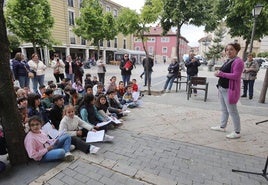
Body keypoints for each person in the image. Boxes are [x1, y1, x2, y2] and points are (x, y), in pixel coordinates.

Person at [211, 42, 244, 139]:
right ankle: (222, 126)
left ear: (236, 51)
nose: (228, 51)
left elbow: (236, 76)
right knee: (224, 110)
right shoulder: (228, 60)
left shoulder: (238, 61)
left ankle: (237, 132)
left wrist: (221, 74)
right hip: (222, 88)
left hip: (230, 90)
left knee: (233, 111)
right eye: (227, 49)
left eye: (231, 49)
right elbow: (222, 72)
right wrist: (217, 73)